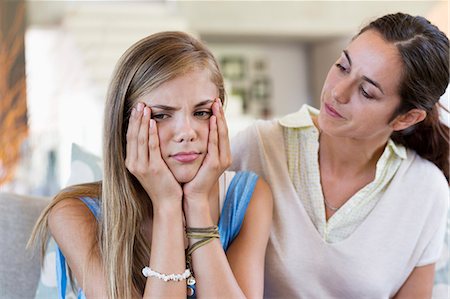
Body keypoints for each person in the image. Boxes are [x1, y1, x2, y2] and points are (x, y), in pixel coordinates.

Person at [28, 31, 272, 299]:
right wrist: (167, 204)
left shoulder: (248, 197)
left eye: (201, 112)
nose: (186, 132)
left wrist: (197, 204)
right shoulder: (74, 214)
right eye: (161, 115)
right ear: (125, 127)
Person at [230, 12, 449, 298]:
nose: (338, 92)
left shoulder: (425, 190)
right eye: (343, 67)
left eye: (367, 92)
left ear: (406, 118)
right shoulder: (257, 147)